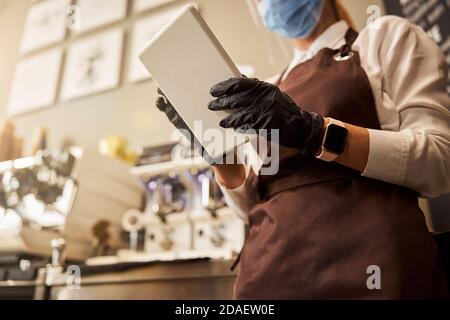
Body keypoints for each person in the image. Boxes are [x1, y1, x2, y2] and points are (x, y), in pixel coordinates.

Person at [156, 0, 450, 299]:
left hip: (372, 270)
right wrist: (220, 158)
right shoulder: (268, 86)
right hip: (267, 279)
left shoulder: (384, 38)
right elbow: (253, 208)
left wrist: (315, 132)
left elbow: (440, 160)